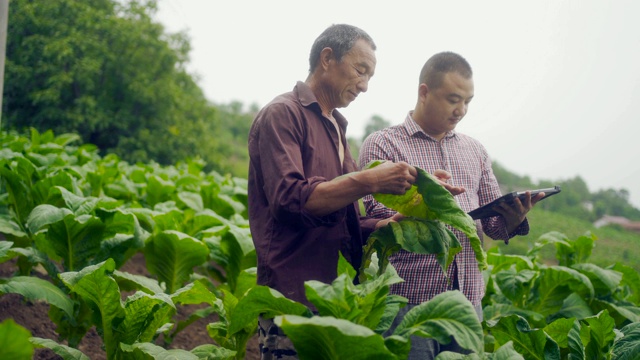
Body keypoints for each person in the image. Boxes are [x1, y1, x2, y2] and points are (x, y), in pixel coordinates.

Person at [247, 24, 420, 359]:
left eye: (370, 76)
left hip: (334, 299)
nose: (365, 86)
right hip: (291, 298)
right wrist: (368, 181)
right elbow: (290, 200)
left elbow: (344, 220)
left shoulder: (337, 127)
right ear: (327, 58)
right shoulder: (283, 114)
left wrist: (390, 223)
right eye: (360, 70)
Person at [358, 51, 545, 358]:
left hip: (467, 304)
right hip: (410, 301)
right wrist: (424, 198)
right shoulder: (384, 144)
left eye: (468, 101)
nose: (461, 110)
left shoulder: (475, 151)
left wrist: (514, 217)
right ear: (424, 92)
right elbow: (378, 223)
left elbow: (494, 229)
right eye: (453, 99)